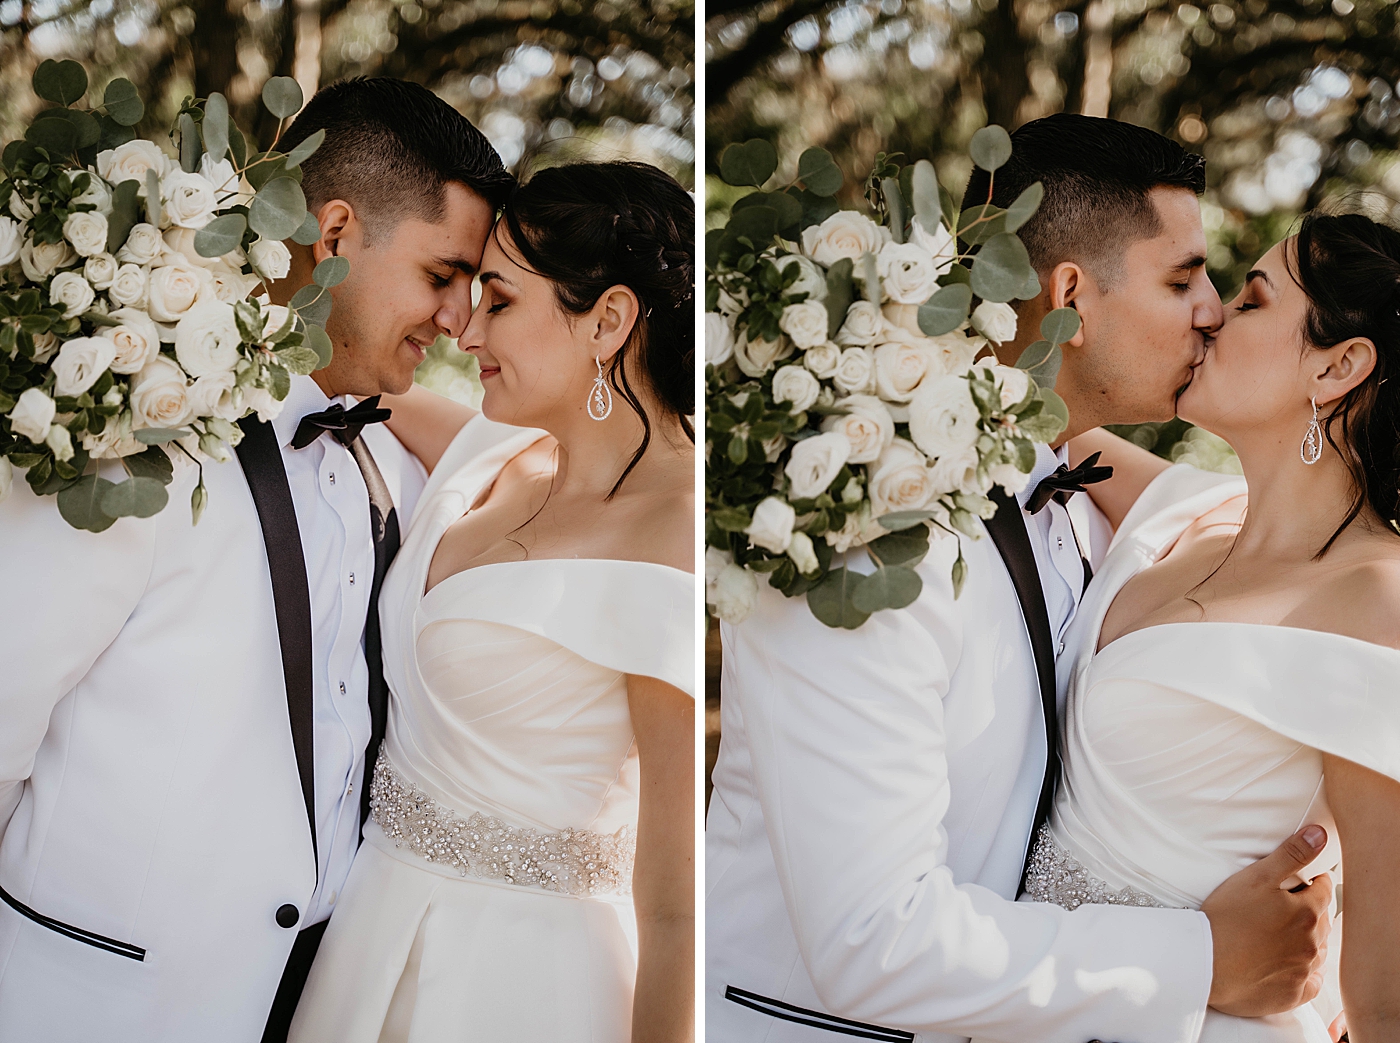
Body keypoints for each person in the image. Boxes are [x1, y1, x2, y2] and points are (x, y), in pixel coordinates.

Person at [706, 113, 1333, 1043]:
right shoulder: (863, 524)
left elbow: (1281, 528)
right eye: (1182, 277)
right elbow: (873, 937)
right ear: (1070, 294)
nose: (1210, 309)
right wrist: (1201, 956)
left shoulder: (1089, 499)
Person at [0, 78, 512, 1043]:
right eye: (444, 274)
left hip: (317, 1001)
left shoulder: (393, 466)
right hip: (95, 1005)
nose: (459, 319)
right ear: (334, 232)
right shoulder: (127, 431)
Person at [287, 161, 696, 1043]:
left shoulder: (676, 535)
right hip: (364, 941)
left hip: (527, 983)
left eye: (499, 302)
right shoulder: (487, 453)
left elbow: (675, 911)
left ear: (610, 320)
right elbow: (338, 378)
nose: (464, 333)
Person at [1043, 210, 1400, 1042]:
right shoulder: (1189, 513)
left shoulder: (1375, 601)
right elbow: (1032, 410)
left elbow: (1386, 992)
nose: (1209, 313)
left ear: (1339, 364)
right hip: (1041, 994)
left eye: (1250, 298)